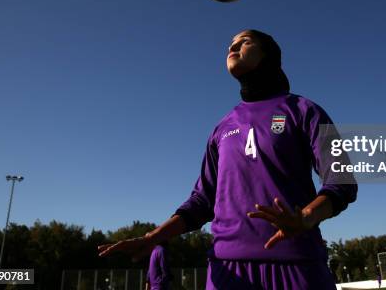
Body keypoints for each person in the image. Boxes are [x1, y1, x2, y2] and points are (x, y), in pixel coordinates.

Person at [98, 29, 358, 289]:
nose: (233, 47)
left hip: (297, 264)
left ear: (269, 55)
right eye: (230, 44)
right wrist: (154, 236)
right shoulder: (223, 127)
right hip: (227, 270)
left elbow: (342, 180)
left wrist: (306, 217)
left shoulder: (304, 111)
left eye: (245, 42)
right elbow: (202, 200)